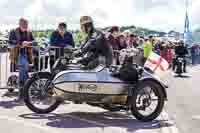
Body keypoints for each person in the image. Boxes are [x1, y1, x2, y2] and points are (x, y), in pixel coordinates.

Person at [9, 18, 35, 101]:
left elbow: (35, 42)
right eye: (24, 24)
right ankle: (24, 94)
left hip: (27, 56)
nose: (25, 26)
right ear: (19, 24)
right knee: (23, 74)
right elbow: (10, 43)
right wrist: (20, 44)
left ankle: (23, 95)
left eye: (26, 24)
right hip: (18, 55)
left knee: (24, 74)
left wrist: (28, 43)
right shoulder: (13, 31)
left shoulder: (29, 32)